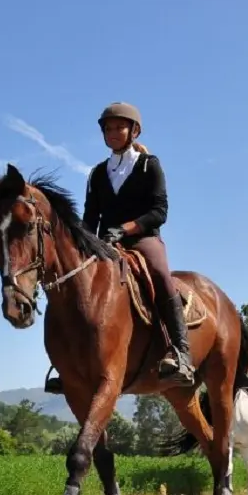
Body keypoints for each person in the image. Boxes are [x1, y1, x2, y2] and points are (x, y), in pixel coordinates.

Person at [47, 101, 194, 395]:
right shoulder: (97, 173)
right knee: (75, 281)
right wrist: (83, 242)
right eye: (109, 128)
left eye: (119, 127)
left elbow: (159, 210)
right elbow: (90, 217)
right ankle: (68, 364)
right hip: (104, 243)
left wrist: (126, 228)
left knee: (161, 277)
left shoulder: (149, 165)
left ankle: (181, 353)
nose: (113, 133)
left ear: (134, 131)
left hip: (143, 239)